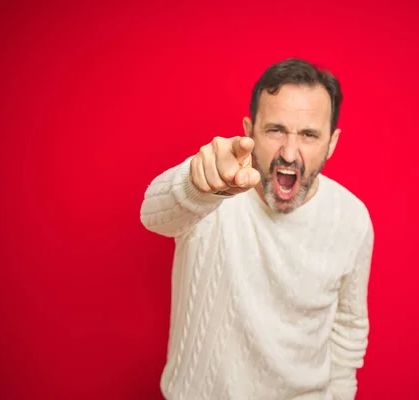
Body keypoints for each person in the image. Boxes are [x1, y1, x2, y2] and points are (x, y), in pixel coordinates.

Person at [140, 58, 375, 400]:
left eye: (309, 135)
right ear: (249, 130)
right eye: (275, 130)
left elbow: (349, 330)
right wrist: (198, 184)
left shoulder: (352, 218)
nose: (289, 153)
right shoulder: (215, 190)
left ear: (332, 143)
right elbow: (153, 215)